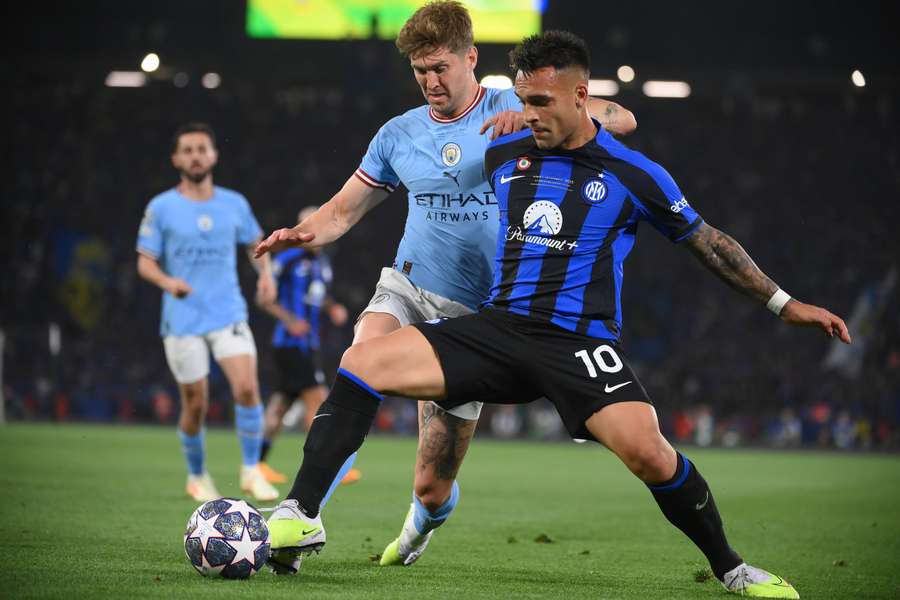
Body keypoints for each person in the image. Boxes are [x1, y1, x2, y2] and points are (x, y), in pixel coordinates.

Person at [260, 31, 851, 598]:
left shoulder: (634, 174)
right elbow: (432, 191)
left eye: (541, 102)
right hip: (497, 328)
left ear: (579, 95)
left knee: (650, 453)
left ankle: (733, 568)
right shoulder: (504, 149)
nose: (529, 113)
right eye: (522, 100)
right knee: (362, 361)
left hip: (577, 343)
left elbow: (710, 243)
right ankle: (301, 512)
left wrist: (786, 304)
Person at [253, 0, 636, 571]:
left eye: (440, 68)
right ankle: (298, 514)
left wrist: (523, 117)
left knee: (432, 487)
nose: (430, 81)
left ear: (471, 59)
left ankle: (416, 530)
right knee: (360, 358)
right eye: (419, 71)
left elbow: (621, 118)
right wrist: (302, 233)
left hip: (480, 318)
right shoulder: (397, 134)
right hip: (409, 285)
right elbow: (342, 212)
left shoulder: (518, 104)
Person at [136, 122, 279, 503]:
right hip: (182, 317)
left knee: (248, 387)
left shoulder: (234, 203)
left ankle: (251, 470)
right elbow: (145, 262)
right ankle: (197, 476)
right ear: (176, 158)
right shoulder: (161, 207)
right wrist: (169, 283)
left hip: (227, 311)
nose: (196, 155)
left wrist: (266, 276)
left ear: (214, 156)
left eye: (202, 148)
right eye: (188, 149)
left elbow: (257, 246)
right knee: (195, 402)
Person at [256, 206, 358, 490]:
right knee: (319, 399)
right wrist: (290, 321)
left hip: (309, 343)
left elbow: (316, 295)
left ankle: (257, 463)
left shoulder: (323, 263)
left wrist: (332, 306)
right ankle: (328, 467)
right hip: (290, 343)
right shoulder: (287, 258)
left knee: (280, 405)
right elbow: (264, 298)